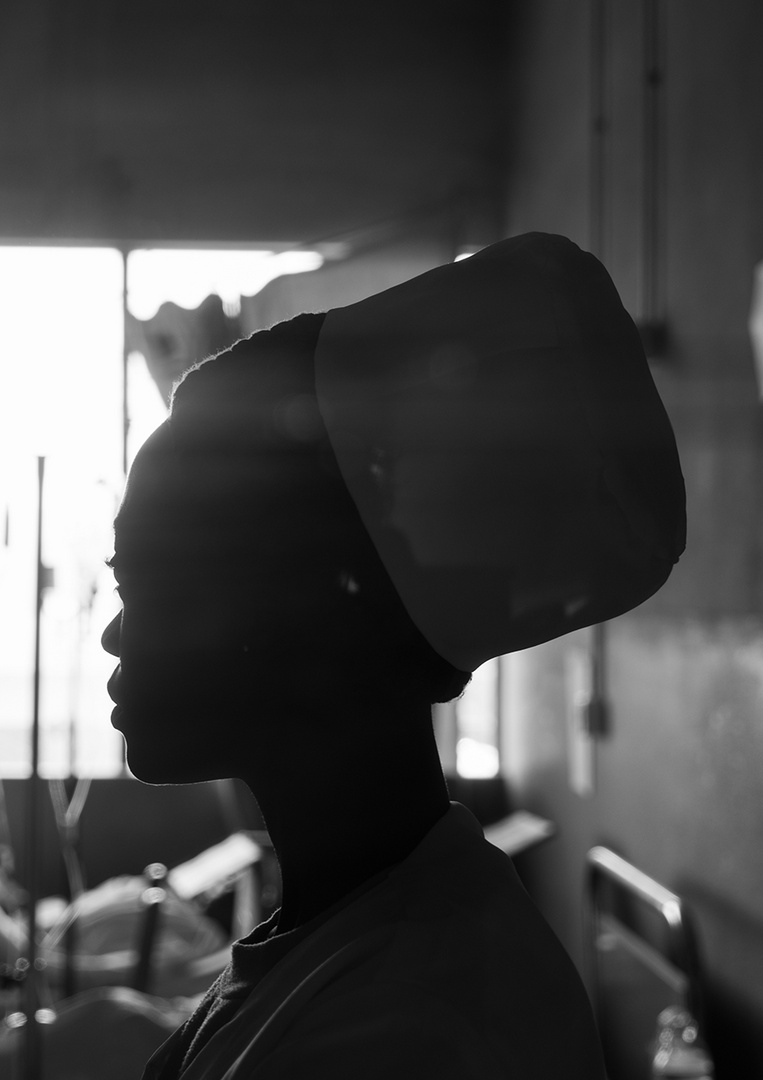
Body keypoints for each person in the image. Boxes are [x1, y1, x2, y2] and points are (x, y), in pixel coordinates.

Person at [103, 232, 686, 1080]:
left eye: (150, 586)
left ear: (299, 619)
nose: (117, 634)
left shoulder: (407, 1030)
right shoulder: (347, 929)